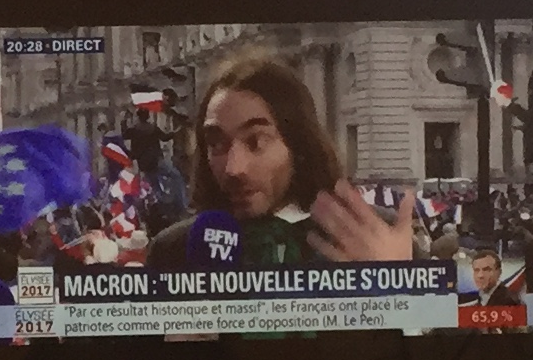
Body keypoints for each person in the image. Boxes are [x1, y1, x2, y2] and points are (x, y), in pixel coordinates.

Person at [147, 52, 422, 269]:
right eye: (217, 144)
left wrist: (397, 286)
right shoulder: (172, 251)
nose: (233, 169)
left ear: (297, 143)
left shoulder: (375, 238)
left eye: (256, 142)